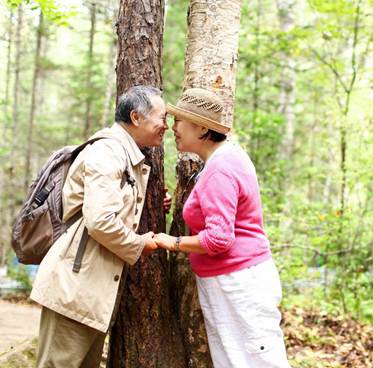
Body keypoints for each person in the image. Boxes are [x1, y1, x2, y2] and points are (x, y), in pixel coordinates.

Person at [30, 85, 168, 368]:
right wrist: (141, 244)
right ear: (137, 117)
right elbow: (100, 220)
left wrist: (151, 203)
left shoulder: (126, 153)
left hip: (91, 290)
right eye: (162, 117)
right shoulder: (107, 152)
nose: (166, 125)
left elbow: (112, 205)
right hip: (75, 287)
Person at [153, 87, 290, 367]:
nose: (173, 128)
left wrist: (173, 242)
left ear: (202, 128)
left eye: (179, 120)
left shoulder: (220, 168)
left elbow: (218, 239)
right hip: (230, 280)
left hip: (240, 282)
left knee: (259, 362)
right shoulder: (222, 160)